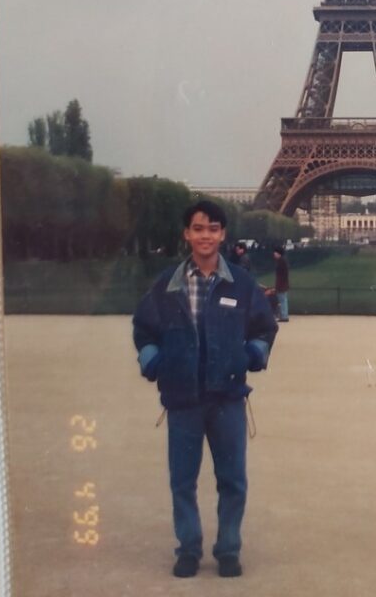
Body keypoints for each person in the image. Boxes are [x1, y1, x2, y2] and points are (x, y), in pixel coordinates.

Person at [132, 200, 278, 579]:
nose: (206, 236)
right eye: (198, 228)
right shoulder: (167, 284)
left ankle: (228, 549)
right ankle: (189, 548)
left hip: (227, 397)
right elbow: (144, 328)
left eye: (213, 228)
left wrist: (250, 355)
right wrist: (154, 363)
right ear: (187, 234)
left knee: (232, 480)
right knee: (183, 480)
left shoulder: (241, 285)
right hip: (183, 398)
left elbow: (264, 327)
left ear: (223, 234)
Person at [272, 244, 290, 322]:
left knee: (282, 300)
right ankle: (284, 315)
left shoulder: (281, 261)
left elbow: (281, 275)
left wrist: (278, 286)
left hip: (281, 284)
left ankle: (284, 316)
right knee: (283, 300)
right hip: (283, 284)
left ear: (278, 253)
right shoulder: (283, 260)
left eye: (275, 253)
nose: (274, 254)